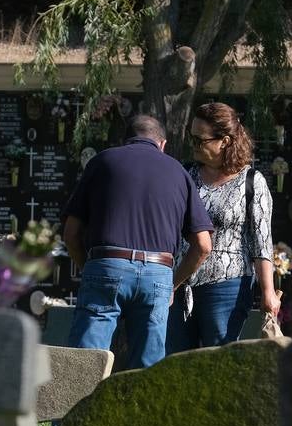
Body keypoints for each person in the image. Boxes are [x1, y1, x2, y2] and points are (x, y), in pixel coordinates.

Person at [61, 114, 213, 368]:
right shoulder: (178, 172)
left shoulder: (102, 161)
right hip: (158, 273)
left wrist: (88, 269)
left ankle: (75, 406)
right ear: (162, 144)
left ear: (126, 140)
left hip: (107, 264)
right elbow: (204, 245)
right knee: (148, 369)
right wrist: (173, 285)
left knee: (84, 362)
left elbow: (70, 233)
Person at [166, 101, 278, 353]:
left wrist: (268, 292)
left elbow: (262, 241)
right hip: (180, 282)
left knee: (217, 359)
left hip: (226, 287)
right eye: (191, 137)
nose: (192, 144)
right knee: (174, 360)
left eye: (200, 140)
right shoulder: (187, 174)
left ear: (225, 141)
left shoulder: (252, 181)